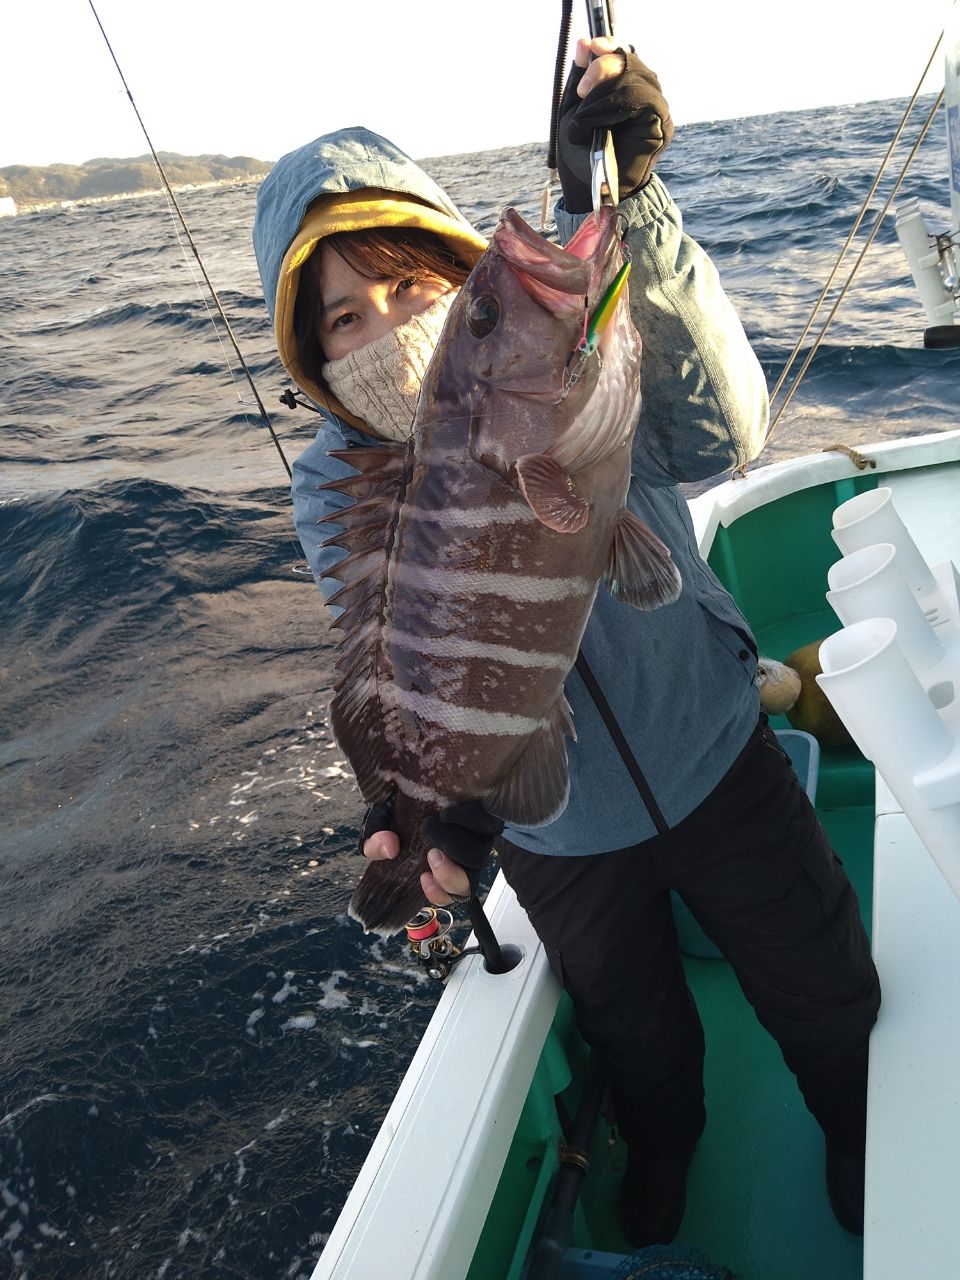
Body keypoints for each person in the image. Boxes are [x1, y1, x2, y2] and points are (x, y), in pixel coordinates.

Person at [252, 38, 880, 1246]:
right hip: (559, 831)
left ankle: (853, 1119)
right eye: (342, 315)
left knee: (820, 980)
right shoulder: (335, 483)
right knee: (643, 1038)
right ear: (314, 357)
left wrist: (635, 205)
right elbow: (395, 662)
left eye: (412, 282)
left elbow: (725, 434)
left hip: (714, 750)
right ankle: (666, 1148)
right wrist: (425, 801)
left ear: (459, 272)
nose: (384, 324)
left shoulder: (581, 350)